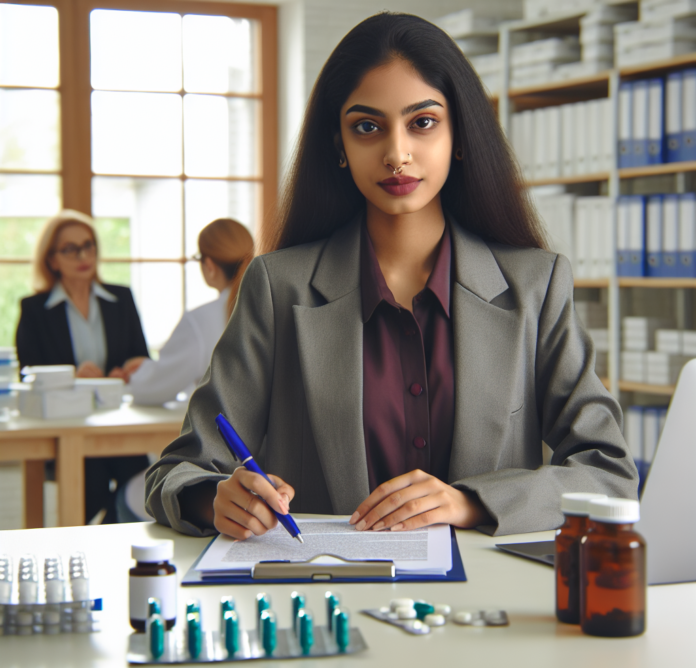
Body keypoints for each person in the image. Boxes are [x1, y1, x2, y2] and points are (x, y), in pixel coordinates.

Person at [145, 12, 638, 540]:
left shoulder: (536, 287)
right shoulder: (276, 286)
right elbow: (176, 472)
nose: (396, 154)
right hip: (325, 599)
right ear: (339, 146)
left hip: (487, 609)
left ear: (460, 135)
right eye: (367, 127)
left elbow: (608, 474)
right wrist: (214, 498)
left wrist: (469, 503)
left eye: (422, 122)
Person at [16, 209, 150, 523]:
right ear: (51, 259)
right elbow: (29, 373)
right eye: (70, 249)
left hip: (118, 422)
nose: (83, 255)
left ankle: (108, 542)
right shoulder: (34, 309)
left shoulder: (121, 298)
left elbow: (141, 357)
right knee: (91, 490)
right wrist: (71, 377)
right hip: (66, 427)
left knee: (143, 483)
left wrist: (127, 370)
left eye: (88, 245)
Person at [116, 218, 254, 406]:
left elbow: (156, 388)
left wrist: (138, 374)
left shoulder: (201, 321)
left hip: (225, 433)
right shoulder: (275, 306)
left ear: (210, 266)